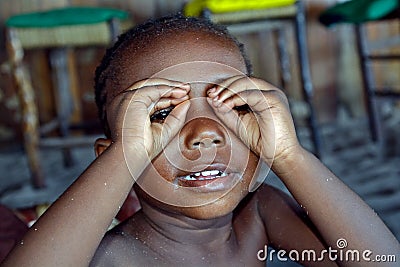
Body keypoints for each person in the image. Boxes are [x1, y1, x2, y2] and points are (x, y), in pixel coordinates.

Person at [3, 14, 399, 267]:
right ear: (113, 159)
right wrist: (128, 154)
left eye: (234, 109)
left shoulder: (258, 216)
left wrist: (291, 157)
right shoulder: (113, 256)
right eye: (160, 116)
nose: (204, 135)